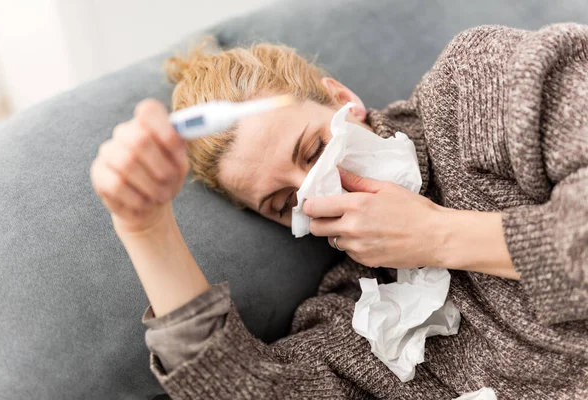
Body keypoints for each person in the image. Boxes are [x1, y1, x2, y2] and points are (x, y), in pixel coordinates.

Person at [90, 23, 588, 399]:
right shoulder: (364, 311)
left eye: (312, 151)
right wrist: (145, 228)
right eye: (286, 203)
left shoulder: (476, 90)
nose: (318, 188)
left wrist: (439, 235)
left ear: (343, 101)